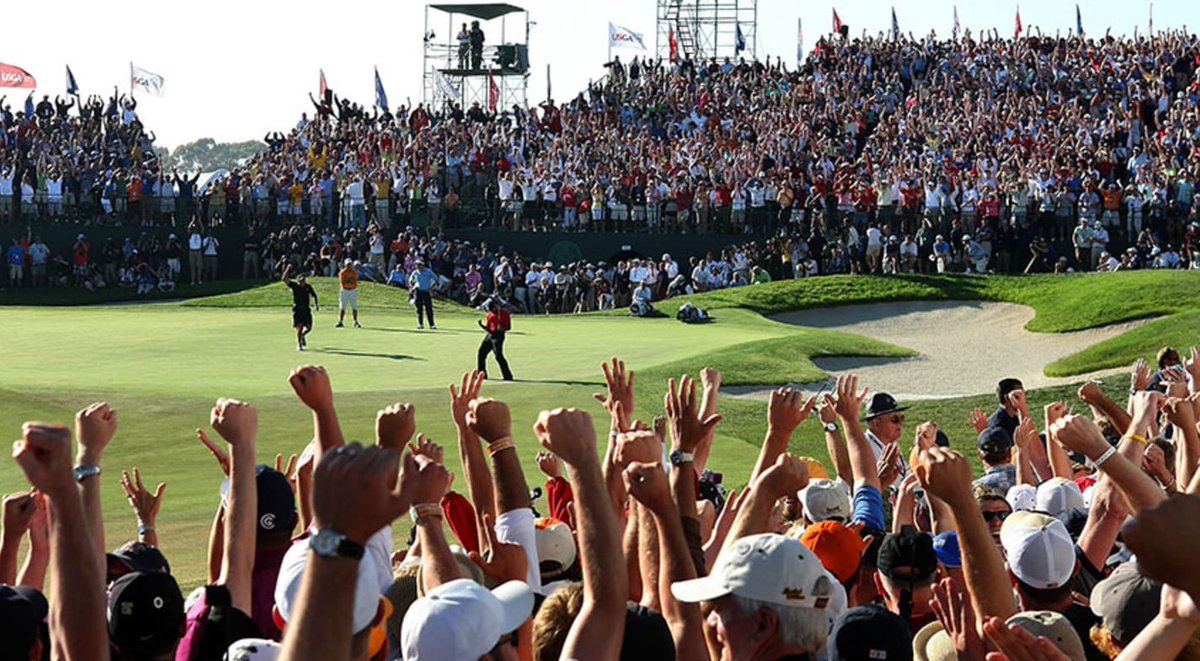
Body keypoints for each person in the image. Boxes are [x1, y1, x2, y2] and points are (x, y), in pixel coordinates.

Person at [282, 267, 318, 350]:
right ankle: (299, 345)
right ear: (297, 280)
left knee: (309, 328)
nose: (302, 281)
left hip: (306, 309)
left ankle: (302, 336)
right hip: (298, 309)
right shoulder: (295, 286)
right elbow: (284, 279)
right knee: (299, 327)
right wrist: (287, 269)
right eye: (300, 280)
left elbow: (314, 295)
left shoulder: (308, 287)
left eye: (303, 280)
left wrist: (316, 304)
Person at [477, 299, 513, 381]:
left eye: (492, 309)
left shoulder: (504, 314)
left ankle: (508, 376)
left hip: (499, 336)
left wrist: (502, 328)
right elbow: (489, 328)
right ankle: (482, 373)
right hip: (490, 335)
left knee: (498, 356)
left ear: (496, 307)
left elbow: (508, 327)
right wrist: (482, 326)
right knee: (481, 353)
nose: (491, 311)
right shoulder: (490, 315)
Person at [408, 260, 437, 330]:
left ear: (422, 265)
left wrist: (431, 288)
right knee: (419, 309)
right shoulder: (415, 272)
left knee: (429, 309)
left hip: (426, 291)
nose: (417, 266)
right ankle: (420, 324)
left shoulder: (428, 272)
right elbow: (410, 280)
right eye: (417, 265)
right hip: (418, 292)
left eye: (419, 264)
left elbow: (436, 280)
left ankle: (432, 325)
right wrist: (412, 287)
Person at [336, 259, 360, 328]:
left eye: (350, 264)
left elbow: (354, 282)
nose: (349, 266)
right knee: (342, 307)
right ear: (345, 265)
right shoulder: (342, 273)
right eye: (347, 265)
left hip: (353, 290)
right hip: (344, 290)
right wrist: (350, 280)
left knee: (354, 307)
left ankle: (355, 321)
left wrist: (348, 280)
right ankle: (341, 321)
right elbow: (343, 283)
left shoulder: (354, 272)